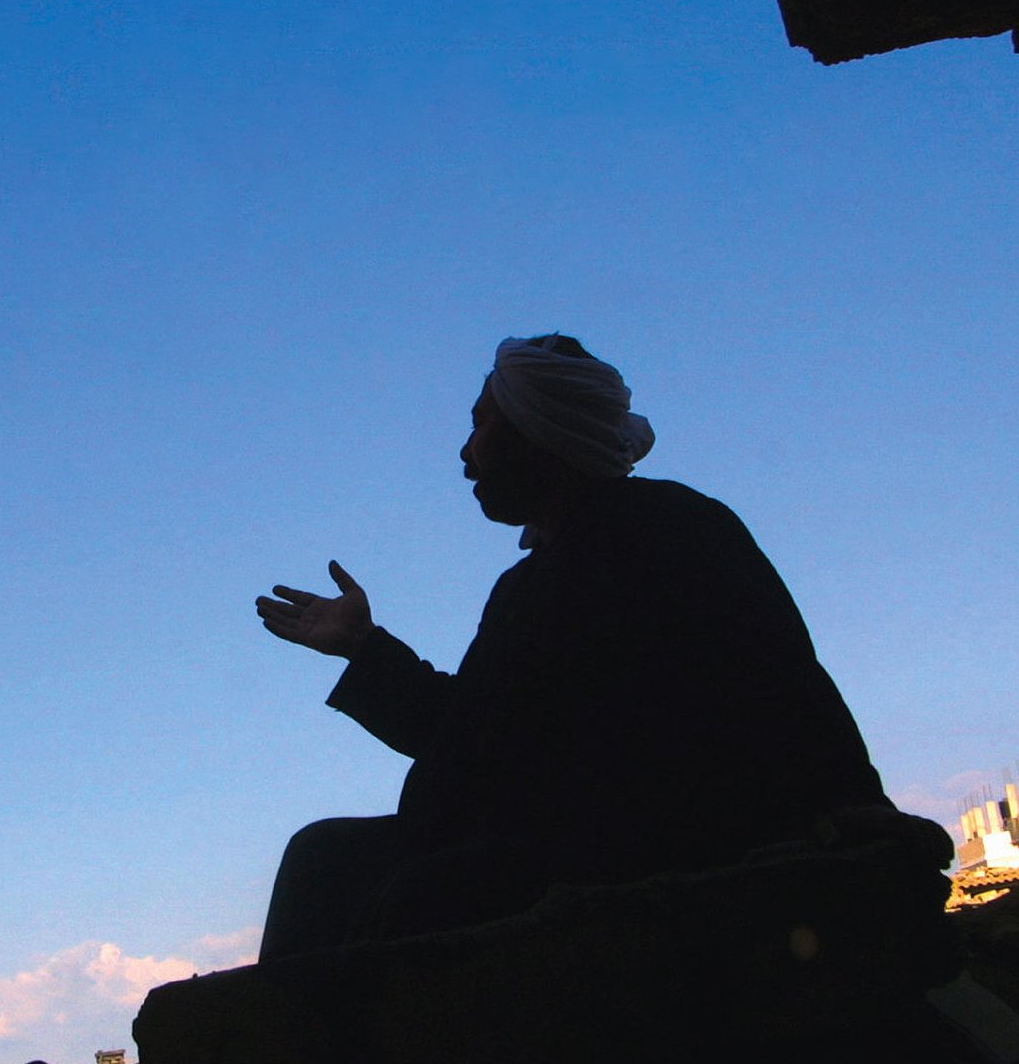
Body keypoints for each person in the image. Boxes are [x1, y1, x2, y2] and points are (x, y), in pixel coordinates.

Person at [254, 335, 947, 961]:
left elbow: (472, 752)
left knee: (331, 865)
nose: (466, 451)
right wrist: (363, 648)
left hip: (634, 857)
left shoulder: (636, 545)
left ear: (536, 433)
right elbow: (477, 735)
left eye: (482, 424)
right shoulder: (633, 539)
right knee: (338, 861)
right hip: (603, 845)